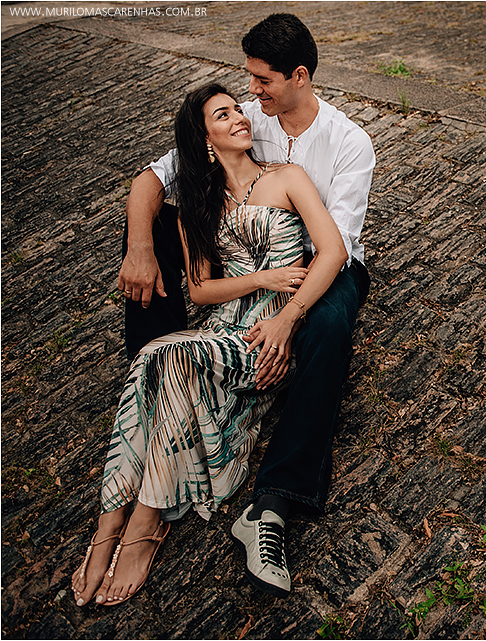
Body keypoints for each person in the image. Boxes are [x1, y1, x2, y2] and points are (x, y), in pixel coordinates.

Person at [114, 13, 374, 598]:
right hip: (245, 260)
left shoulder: (349, 142)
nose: (251, 92)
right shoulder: (247, 116)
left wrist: (284, 317)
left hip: (318, 259)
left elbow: (334, 249)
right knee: (156, 234)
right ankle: (152, 377)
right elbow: (154, 177)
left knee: (328, 327)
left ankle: (272, 505)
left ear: (298, 77)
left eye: (262, 81)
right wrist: (140, 248)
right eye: (249, 81)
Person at [70, 82, 348, 606]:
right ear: (204, 142)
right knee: (166, 359)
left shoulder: (287, 178)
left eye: (237, 112)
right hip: (224, 323)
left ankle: (141, 521)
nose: (241, 119)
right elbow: (200, 289)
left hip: (265, 335)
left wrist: (286, 312)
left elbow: (332, 250)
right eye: (224, 116)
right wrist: (261, 279)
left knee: (161, 354)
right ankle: (113, 521)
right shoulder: (202, 206)